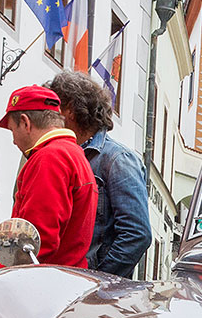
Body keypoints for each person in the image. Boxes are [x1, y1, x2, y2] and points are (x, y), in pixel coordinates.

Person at [0, 85, 96, 288]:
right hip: (64, 280)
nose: (13, 140)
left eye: (12, 130)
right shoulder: (74, 154)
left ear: (26, 123)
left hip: (41, 286)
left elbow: (33, 242)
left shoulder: (49, 158)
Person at [48, 70, 151, 277]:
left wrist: (98, 280)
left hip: (94, 291)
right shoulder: (69, 154)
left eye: (53, 108)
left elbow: (137, 234)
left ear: (69, 110)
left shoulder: (118, 159)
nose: (48, 117)